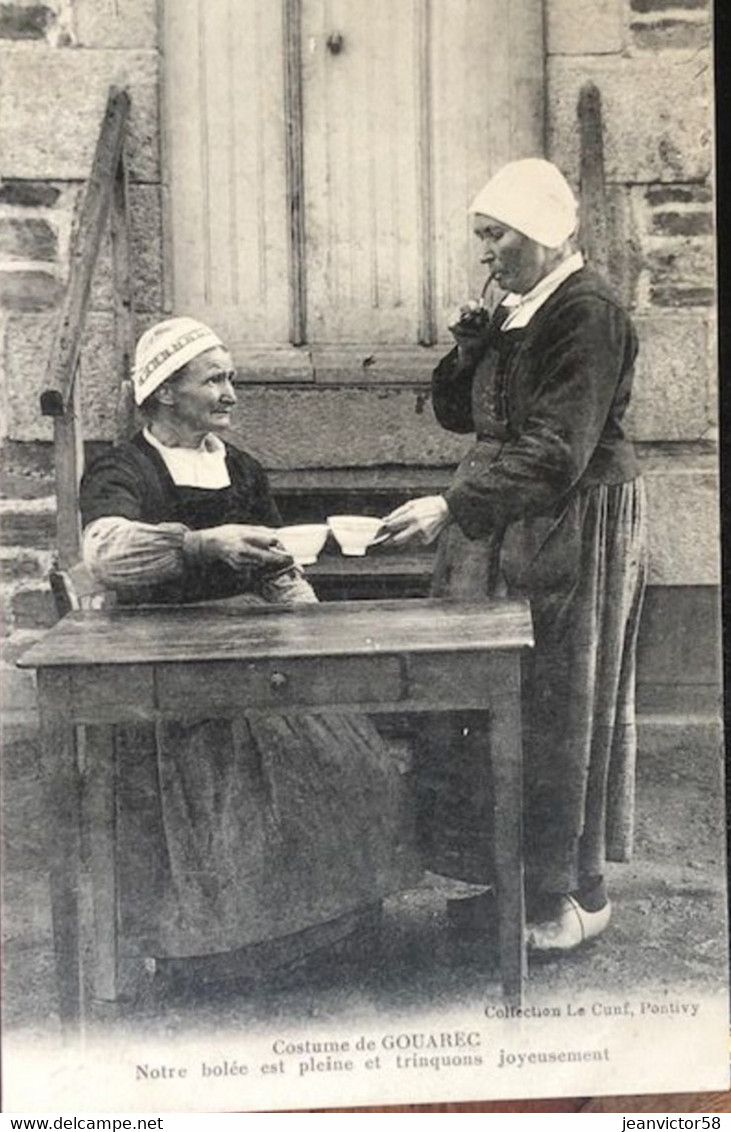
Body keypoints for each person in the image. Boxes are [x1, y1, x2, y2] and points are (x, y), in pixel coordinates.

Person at [80, 317, 413, 964]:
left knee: (350, 762)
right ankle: (224, 953)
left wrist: (314, 632)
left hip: (255, 647)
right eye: (215, 380)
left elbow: (278, 566)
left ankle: (322, 934)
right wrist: (199, 544)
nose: (231, 393)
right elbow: (105, 555)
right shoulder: (125, 469)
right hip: (162, 661)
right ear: (166, 393)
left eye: (231, 378)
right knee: (228, 794)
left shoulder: (239, 468)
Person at [381, 158, 647, 954]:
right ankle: (509, 886)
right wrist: (471, 346)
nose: (486, 254)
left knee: (559, 699)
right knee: (484, 696)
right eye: (482, 238)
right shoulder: (519, 307)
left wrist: (451, 506)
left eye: (494, 235)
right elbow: (460, 417)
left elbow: (558, 451)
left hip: (566, 516)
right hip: (503, 510)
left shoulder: (586, 312)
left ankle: (570, 896)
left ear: (536, 232)